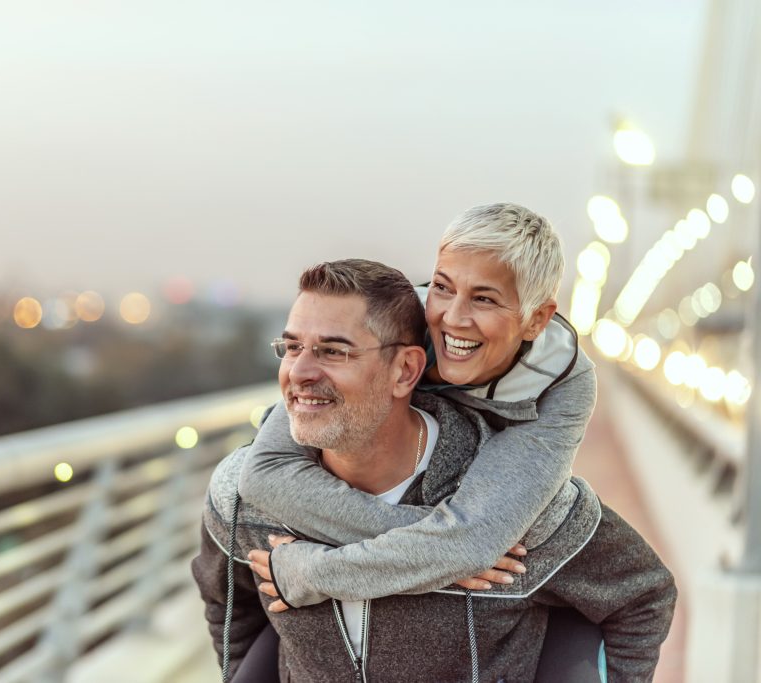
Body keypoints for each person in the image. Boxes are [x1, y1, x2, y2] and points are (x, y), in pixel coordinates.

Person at [191, 258, 676, 682]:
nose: (299, 373)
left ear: (405, 371)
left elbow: (643, 597)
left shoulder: (519, 511)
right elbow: (231, 614)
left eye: (333, 351)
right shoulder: (242, 500)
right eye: (292, 347)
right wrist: (450, 553)